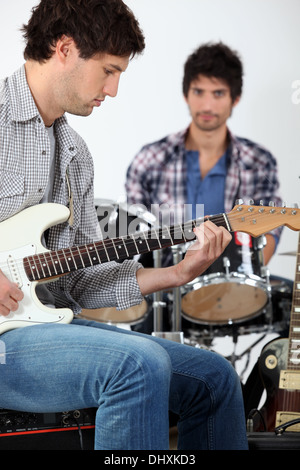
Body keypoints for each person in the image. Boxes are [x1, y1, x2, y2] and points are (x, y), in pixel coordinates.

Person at [0, 1, 248, 450]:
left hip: (51, 325)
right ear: (65, 48)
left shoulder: (76, 154)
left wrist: (177, 274)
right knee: (139, 363)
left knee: (215, 378)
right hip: (4, 345)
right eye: (109, 71)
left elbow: (79, 281)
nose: (112, 90)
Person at [126, 42, 283, 268]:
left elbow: (268, 232)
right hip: (164, 292)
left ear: (235, 99)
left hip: (232, 293)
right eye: (199, 92)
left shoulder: (258, 162)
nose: (207, 106)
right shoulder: (149, 160)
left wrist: (242, 291)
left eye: (218, 94)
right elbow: (135, 238)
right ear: (185, 94)